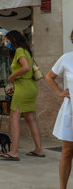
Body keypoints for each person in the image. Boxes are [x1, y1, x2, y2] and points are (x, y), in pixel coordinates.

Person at [0, 30, 44, 161]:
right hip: (29, 87)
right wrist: (16, 85)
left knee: (14, 119)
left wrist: (12, 76)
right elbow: (27, 71)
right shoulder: (26, 51)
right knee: (31, 118)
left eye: (7, 41)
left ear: (13, 40)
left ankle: (14, 152)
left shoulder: (19, 50)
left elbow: (25, 68)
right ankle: (39, 149)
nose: (6, 44)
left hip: (24, 88)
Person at [45, 30, 73, 189]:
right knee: (67, 151)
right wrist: (59, 92)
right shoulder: (66, 58)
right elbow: (49, 76)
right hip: (71, 111)